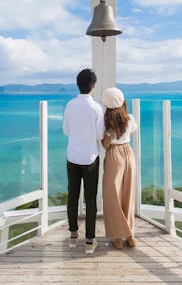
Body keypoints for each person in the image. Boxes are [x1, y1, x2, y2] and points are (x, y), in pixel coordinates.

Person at [62, 69, 104, 254]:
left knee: (72, 195)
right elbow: (101, 135)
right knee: (90, 198)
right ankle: (89, 240)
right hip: (90, 158)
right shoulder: (96, 108)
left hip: (72, 156)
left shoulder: (70, 105)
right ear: (93, 86)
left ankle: (73, 236)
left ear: (77, 84)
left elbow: (66, 130)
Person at [101, 87, 137, 250]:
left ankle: (117, 237)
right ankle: (130, 235)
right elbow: (132, 133)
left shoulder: (107, 122)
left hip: (115, 155)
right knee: (128, 194)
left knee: (112, 196)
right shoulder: (130, 118)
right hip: (129, 154)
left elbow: (105, 145)